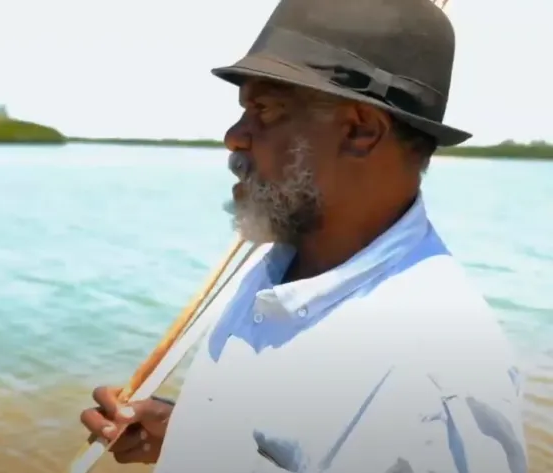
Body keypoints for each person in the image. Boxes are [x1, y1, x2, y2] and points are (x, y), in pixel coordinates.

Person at [80, 0, 528, 471]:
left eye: (266, 109)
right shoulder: (275, 261)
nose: (235, 135)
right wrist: (185, 440)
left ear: (359, 131)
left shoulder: (438, 381)